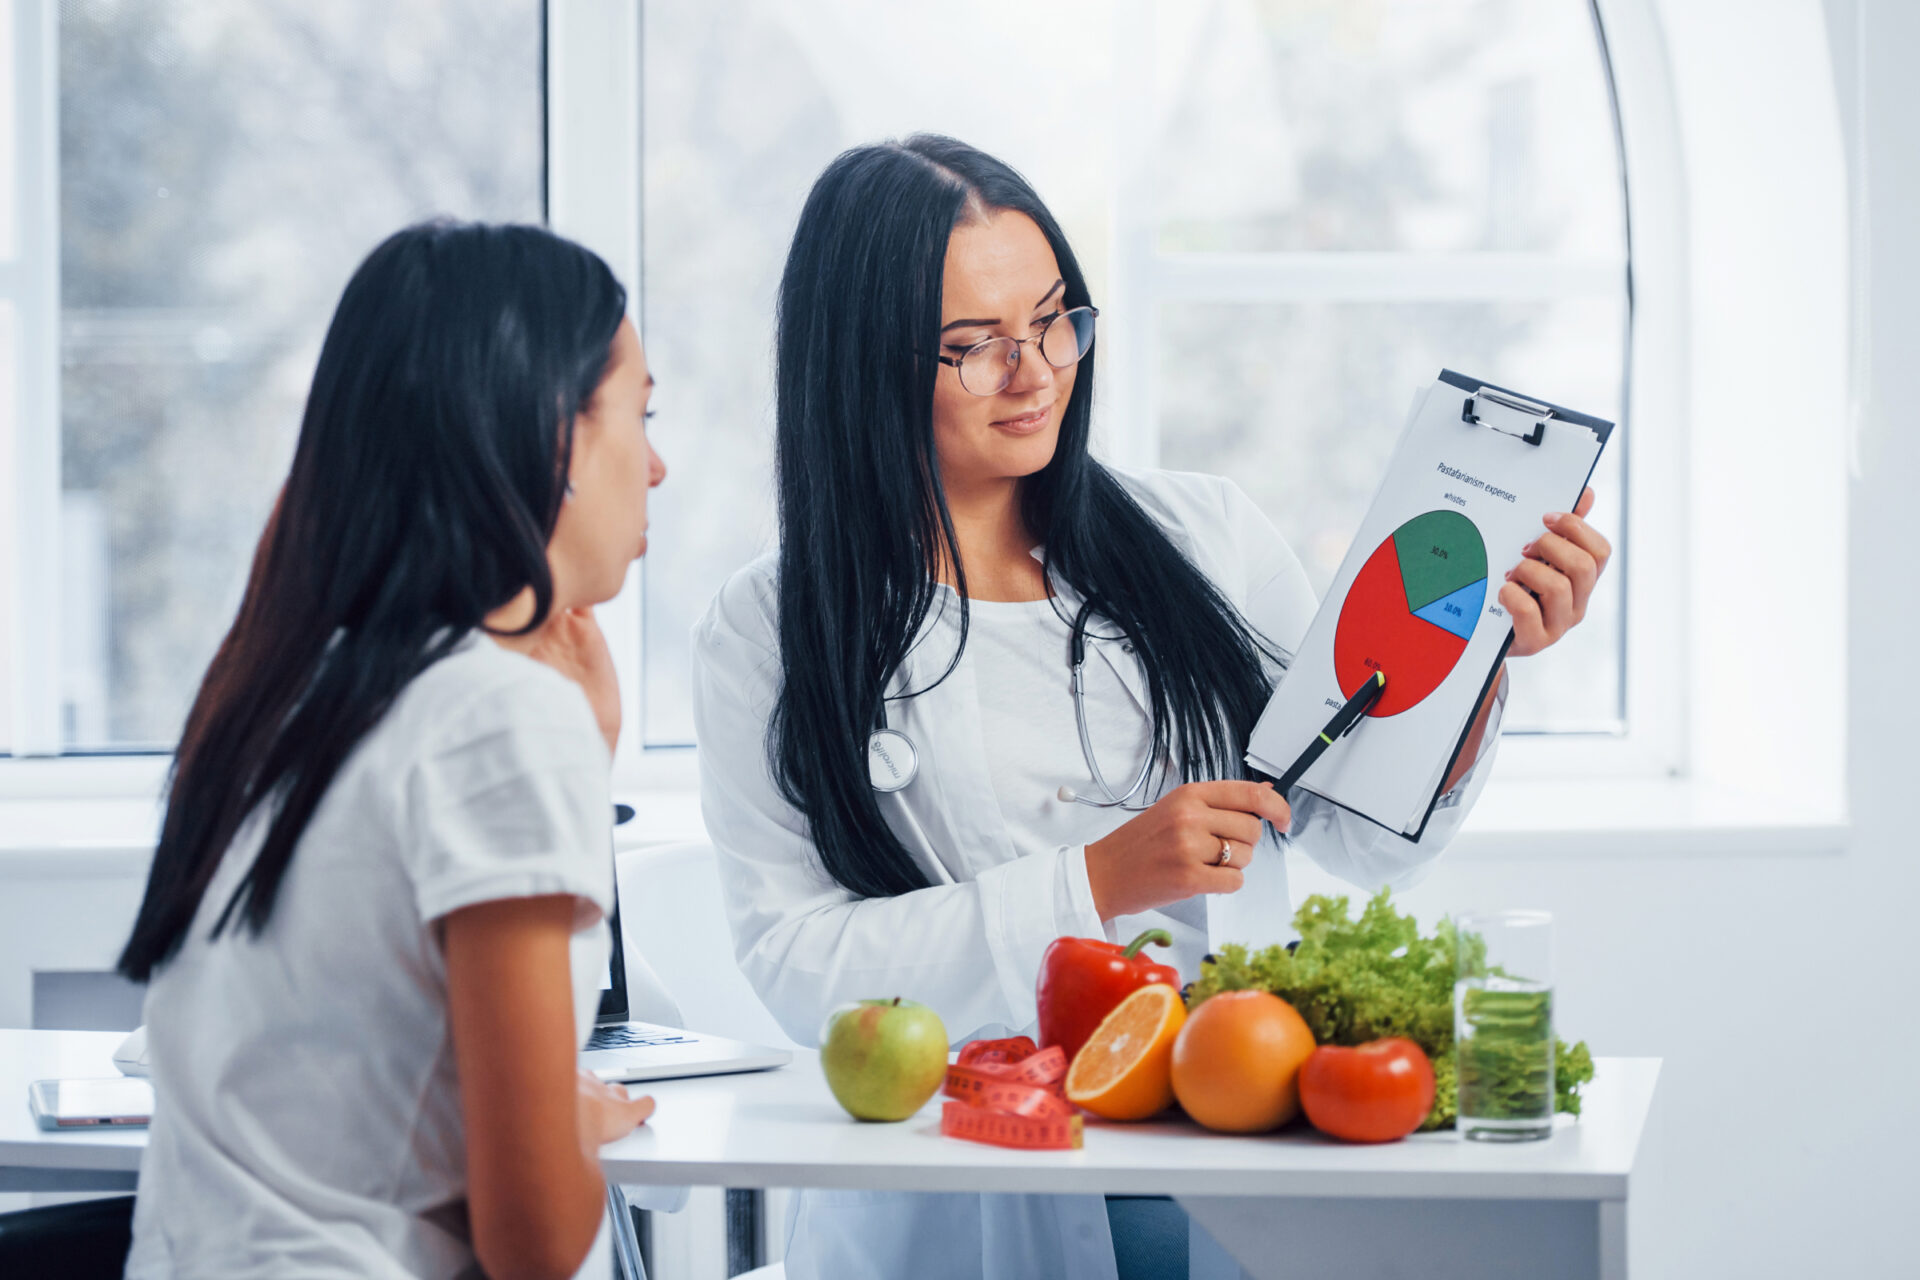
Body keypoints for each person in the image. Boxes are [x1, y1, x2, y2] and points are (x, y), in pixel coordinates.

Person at [692, 136, 1611, 1280]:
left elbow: (1368, 838)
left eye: (1053, 320)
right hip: (958, 1204)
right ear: (858, 366)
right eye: (975, 347)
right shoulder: (771, 626)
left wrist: (1483, 666)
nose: (1034, 372)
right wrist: (1097, 881)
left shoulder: (1203, 535)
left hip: (1224, 1170)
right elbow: (798, 967)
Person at [115, 221, 667, 1280]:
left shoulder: (285, 687)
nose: (655, 464)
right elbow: (536, 1239)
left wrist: (582, 763)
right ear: (555, 435)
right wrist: (568, 1139)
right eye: (636, 417)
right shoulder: (498, 717)